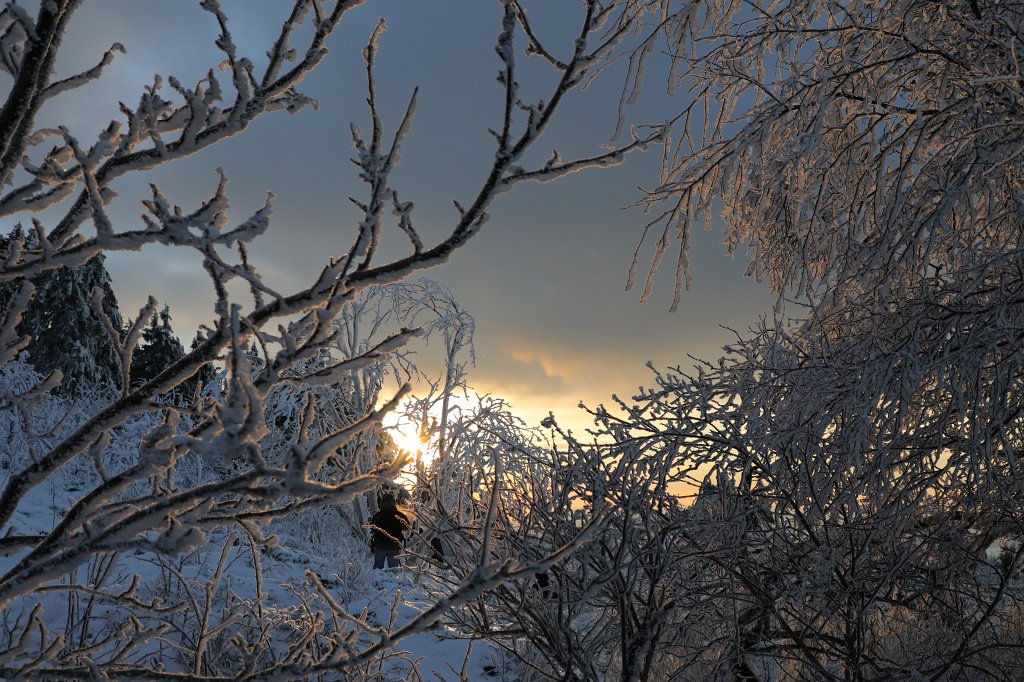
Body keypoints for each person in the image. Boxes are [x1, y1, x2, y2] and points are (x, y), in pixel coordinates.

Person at [369, 494, 409, 569]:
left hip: (380, 545)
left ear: (382, 503)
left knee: (377, 570)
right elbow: (406, 527)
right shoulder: (399, 515)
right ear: (393, 503)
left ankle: (378, 581)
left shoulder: (378, 515)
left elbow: (372, 528)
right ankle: (392, 580)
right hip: (394, 546)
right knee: (393, 570)